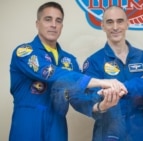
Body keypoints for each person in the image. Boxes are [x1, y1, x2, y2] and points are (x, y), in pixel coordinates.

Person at [9, 2, 126, 141]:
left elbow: (78, 98)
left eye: (58, 21)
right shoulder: (24, 52)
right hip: (28, 124)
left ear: (61, 26)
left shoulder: (69, 60)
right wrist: (101, 82)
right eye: (48, 19)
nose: (53, 24)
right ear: (37, 23)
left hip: (57, 127)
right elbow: (51, 73)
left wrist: (101, 105)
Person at [70, 5, 143, 141]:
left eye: (120, 21)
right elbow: (84, 96)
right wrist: (101, 105)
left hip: (139, 131)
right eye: (110, 22)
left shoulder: (142, 57)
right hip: (108, 132)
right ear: (102, 26)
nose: (115, 27)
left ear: (127, 24)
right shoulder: (94, 61)